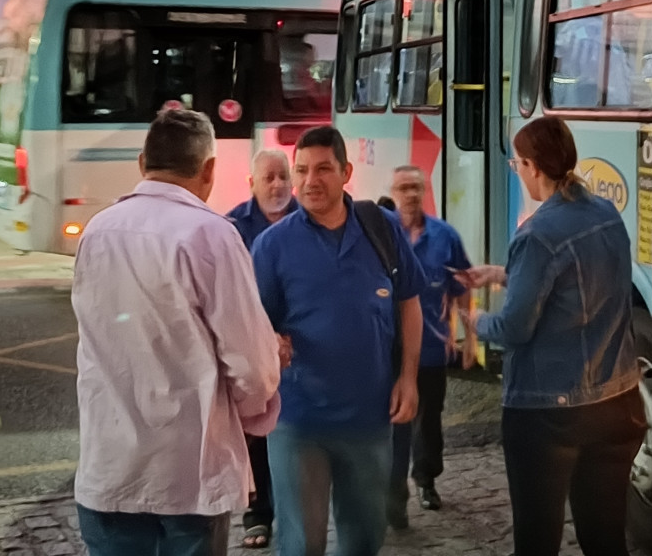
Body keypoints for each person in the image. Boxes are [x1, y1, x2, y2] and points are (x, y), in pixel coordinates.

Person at [73, 108, 284, 556]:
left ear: (141, 163)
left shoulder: (97, 231)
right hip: (188, 473)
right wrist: (249, 416)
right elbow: (252, 364)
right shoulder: (211, 235)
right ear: (209, 169)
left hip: (108, 467)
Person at [457, 117, 639, 556]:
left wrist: (473, 322)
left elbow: (515, 330)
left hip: (550, 414)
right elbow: (582, 284)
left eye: (515, 163)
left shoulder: (536, 234)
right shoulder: (604, 213)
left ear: (533, 167)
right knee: (606, 537)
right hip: (618, 402)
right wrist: (504, 275)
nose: (515, 171)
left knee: (537, 540)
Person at [251, 126, 421, 556]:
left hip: (369, 420)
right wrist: (269, 342)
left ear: (345, 172)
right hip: (297, 422)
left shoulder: (381, 228)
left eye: (323, 169)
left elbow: (409, 302)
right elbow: (253, 327)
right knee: (301, 545)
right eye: (302, 170)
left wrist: (409, 377)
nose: (310, 181)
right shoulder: (272, 246)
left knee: (364, 539)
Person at [384, 166, 474, 526]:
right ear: (392, 192)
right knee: (393, 422)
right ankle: (393, 493)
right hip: (388, 349)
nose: (409, 194)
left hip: (432, 349)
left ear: (425, 191)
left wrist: (469, 338)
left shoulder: (444, 235)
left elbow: (463, 285)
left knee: (428, 420)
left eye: (416, 188)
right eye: (403, 188)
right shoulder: (381, 236)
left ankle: (426, 481)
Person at [225, 149, 297, 550]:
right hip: (254, 345)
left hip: (301, 347)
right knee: (257, 432)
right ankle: (258, 513)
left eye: (283, 176)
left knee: (296, 434)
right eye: (268, 177)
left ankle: (294, 511)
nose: (277, 185)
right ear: (251, 183)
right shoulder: (233, 227)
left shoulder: (311, 217)